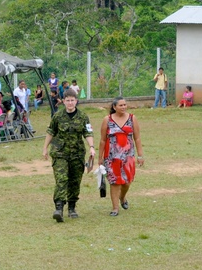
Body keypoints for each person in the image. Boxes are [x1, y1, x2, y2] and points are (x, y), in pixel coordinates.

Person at [42, 89, 95, 222]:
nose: (70, 103)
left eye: (72, 100)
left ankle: (72, 207)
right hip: (60, 153)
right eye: (67, 100)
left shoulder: (83, 116)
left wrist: (92, 147)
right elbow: (50, 132)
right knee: (61, 179)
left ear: (76, 101)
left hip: (77, 154)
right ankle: (59, 208)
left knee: (75, 181)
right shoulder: (57, 116)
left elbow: (88, 133)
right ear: (63, 101)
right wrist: (45, 148)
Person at [98, 97, 144, 216]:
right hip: (111, 156)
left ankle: (122, 197)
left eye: (125, 105)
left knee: (126, 182)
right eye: (121, 105)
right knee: (114, 182)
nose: (123, 107)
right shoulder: (107, 120)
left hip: (128, 156)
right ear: (114, 107)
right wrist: (100, 157)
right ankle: (115, 208)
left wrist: (140, 155)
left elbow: (137, 138)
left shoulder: (132, 118)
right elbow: (103, 140)